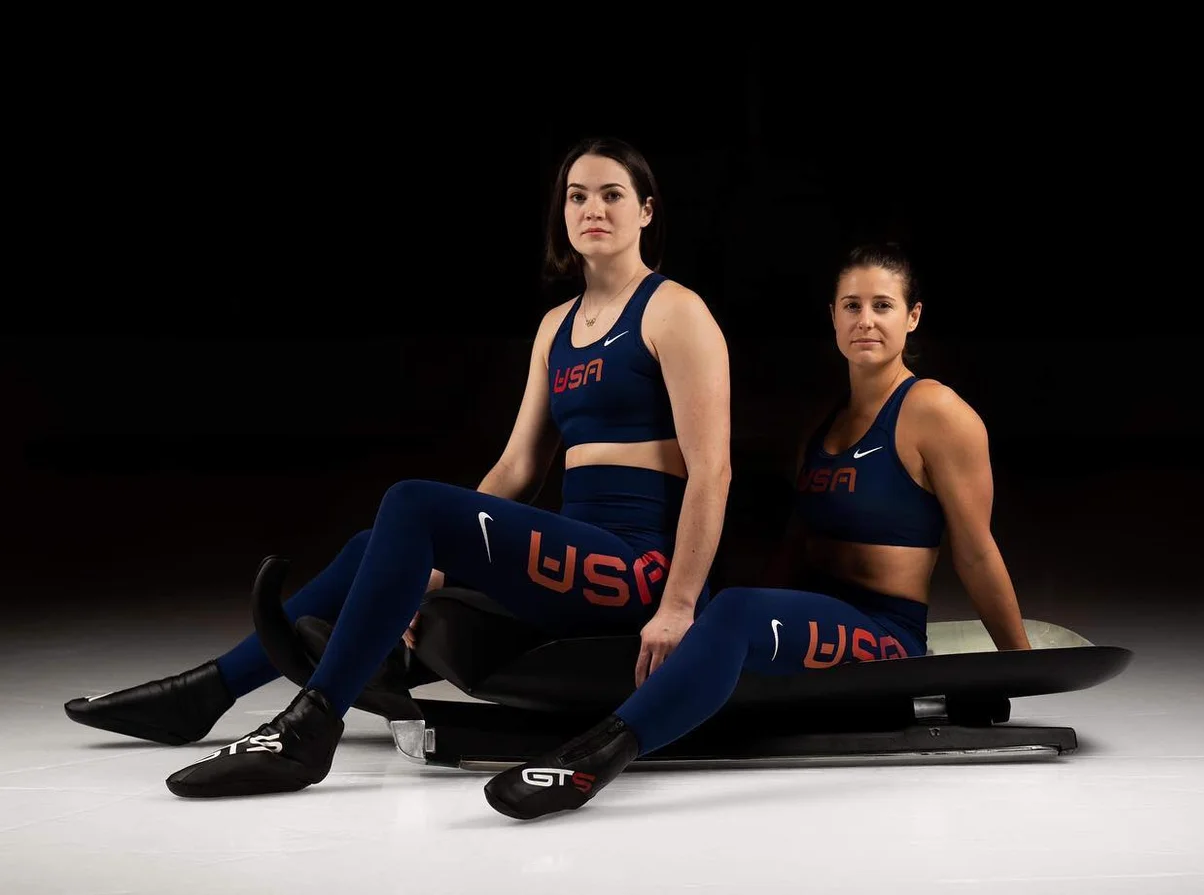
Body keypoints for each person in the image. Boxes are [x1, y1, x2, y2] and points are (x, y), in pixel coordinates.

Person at [64, 137, 733, 798]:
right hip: (583, 553)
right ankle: (205, 692)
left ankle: (308, 730)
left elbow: (714, 471)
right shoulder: (557, 327)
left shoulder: (675, 311)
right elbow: (518, 466)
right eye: (577, 196)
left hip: (640, 569)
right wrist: (440, 560)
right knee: (378, 544)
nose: (593, 209)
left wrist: (677, 606)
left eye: (612, 194)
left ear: (646, 210)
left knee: (412, 504)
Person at [483, 242, 1032, 820]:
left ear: (912, 316)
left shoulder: (937, 412)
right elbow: (795, 549)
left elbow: (976, 552)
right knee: (720, 606)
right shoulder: (821, 426)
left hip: (885, 636)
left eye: (883, 305)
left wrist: (1020, 666)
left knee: (733, 610)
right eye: (851, 306)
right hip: (820, 620)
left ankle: (594, 759)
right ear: (833, 317)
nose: (865, 320)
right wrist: (726, 624)